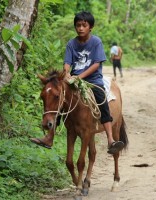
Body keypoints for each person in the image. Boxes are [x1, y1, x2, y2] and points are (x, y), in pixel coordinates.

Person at [30, 11, 124, 154]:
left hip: (93, 80)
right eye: (78, 25)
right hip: (73, 79)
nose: (80, 28)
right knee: (60, 99)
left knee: (101, 99)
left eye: (84, 25)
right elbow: (67, 63)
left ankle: (111, 139)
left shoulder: (96, 42)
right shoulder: (71, 44)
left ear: (90, 27)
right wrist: (66, 73)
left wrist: (79, 77)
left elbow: (96, 64)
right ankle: (50, 136)